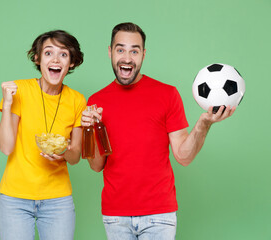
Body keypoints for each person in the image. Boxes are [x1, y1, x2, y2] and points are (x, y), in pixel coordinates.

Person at [81, 22, 236, 240]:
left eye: (134, 51)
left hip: (159, 215)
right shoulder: (97, 101)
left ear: (143, 54)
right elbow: (97, 165)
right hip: (115, 215)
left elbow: (183, 156)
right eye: (120, 49)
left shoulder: (167, 94)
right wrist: (89, 129)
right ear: (110, 52)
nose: (127, 58)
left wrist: (204, 124)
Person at [0, 30, 86, 240]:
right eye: (48, 53)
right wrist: (8, 105)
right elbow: (6, 147)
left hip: (58, 200)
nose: (55, 59)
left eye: (63, 54)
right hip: (15, 198)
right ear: (37, 58)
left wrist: (63, 153)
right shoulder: (20, 90)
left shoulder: (77, 100)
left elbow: (76, 156)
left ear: (71, 63)